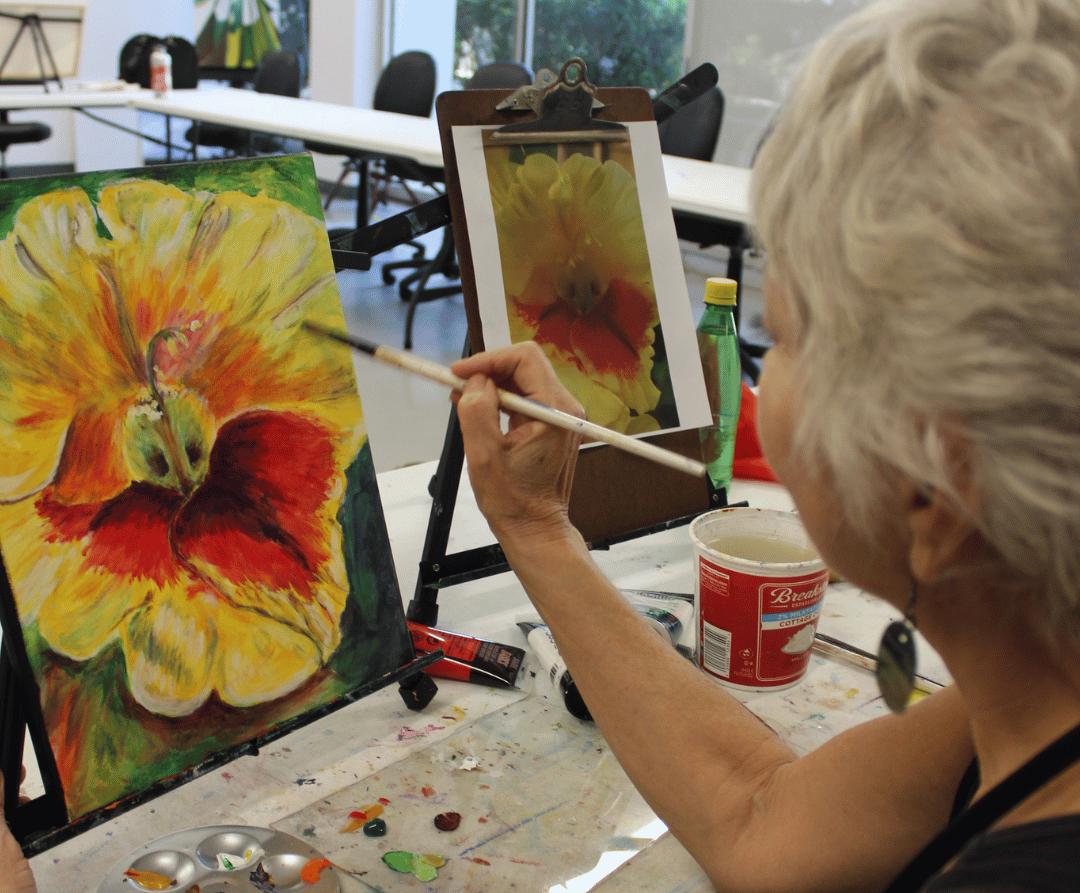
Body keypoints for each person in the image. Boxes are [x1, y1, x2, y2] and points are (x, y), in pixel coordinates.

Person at [450, 0, 1080, 889]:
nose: (755, 379)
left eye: (776, 338)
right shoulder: (1034, 683)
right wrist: (535, 527)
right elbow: (761, 818)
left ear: (931, 487)